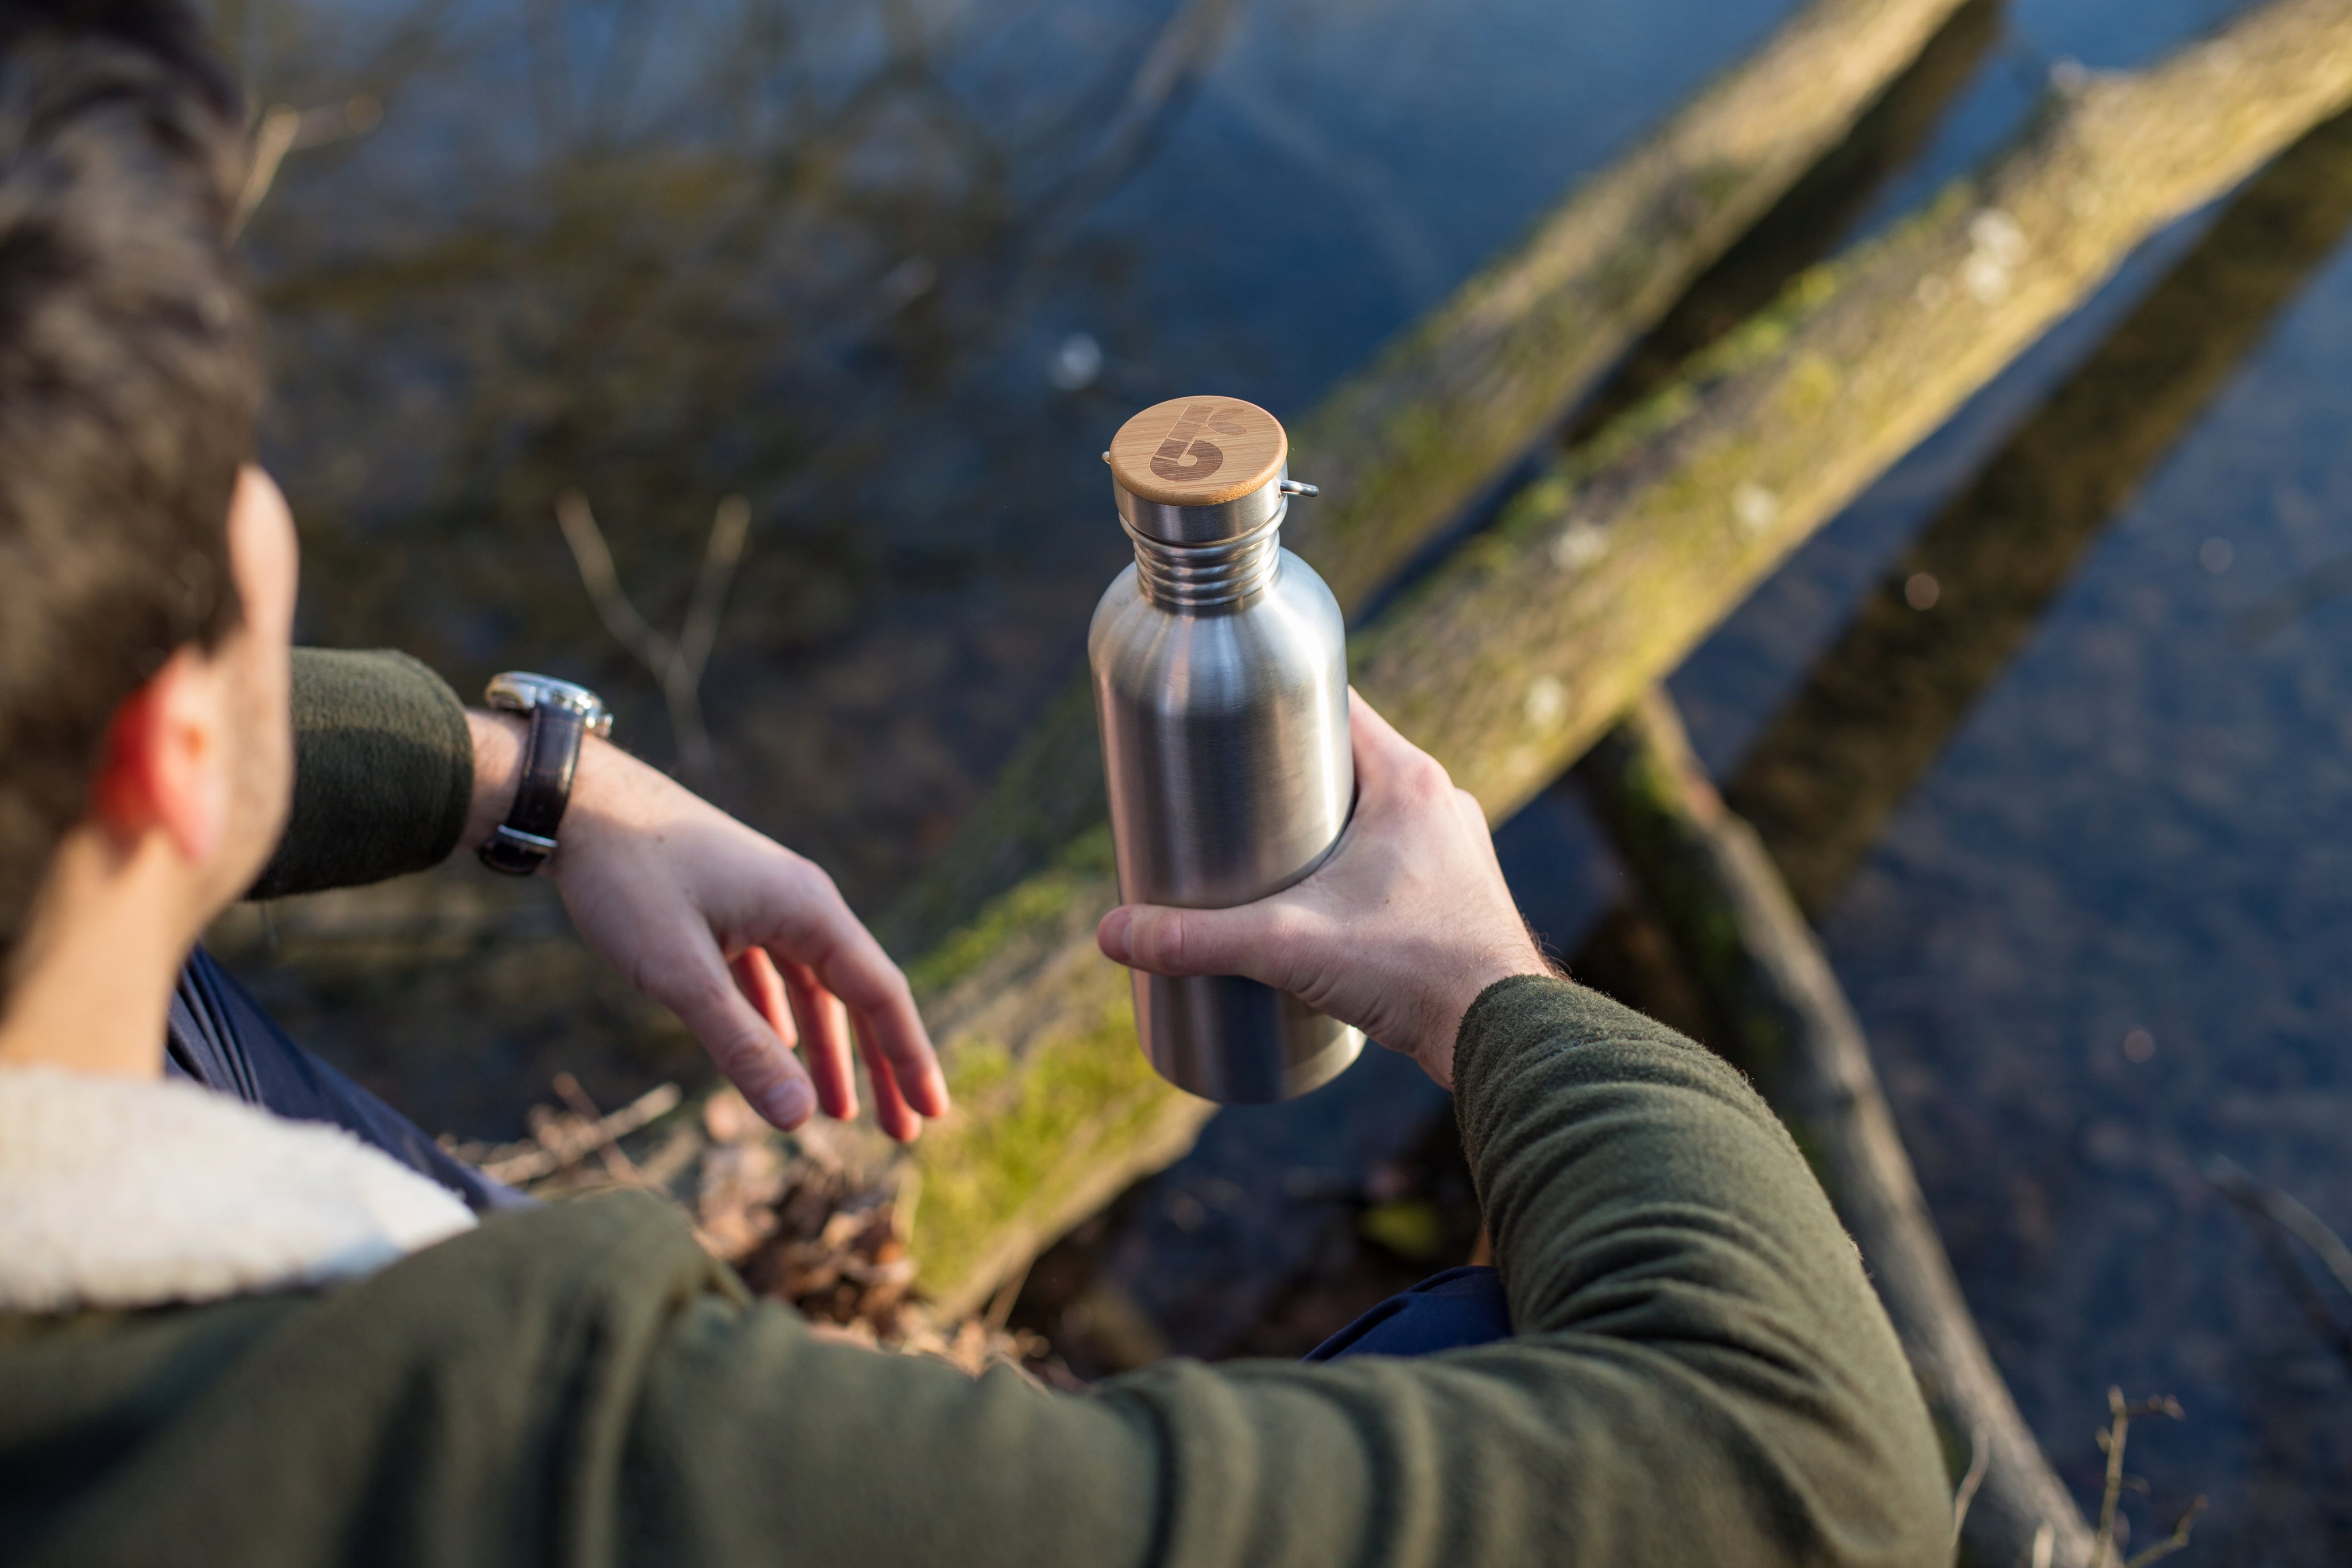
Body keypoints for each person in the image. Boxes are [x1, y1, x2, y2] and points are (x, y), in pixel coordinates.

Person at [0, 3, 1952, 1563]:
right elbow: (1812, 1458)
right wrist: (1490, 988)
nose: (265, 518)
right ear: (169, 749)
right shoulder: (570, 1459)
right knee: (1495, 1334)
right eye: (238, 490)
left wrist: (526, 776)